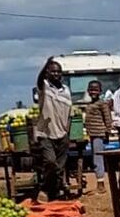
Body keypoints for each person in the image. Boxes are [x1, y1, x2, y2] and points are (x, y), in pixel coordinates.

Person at [33, 58, 72, 201]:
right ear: (48, 73)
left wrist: (67, 131)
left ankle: (55, 192)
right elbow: (39, 79)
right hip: (46, 133)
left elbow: (70, 113)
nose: (56, 74)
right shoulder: (44, 87)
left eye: (58, 72)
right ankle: (44, 188)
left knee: (60, 167)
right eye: (53, 71)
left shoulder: (66, 90)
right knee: (50, 162)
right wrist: (45, 64)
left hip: (62, 134)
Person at [81, 80, 112, 194]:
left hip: (99, 133)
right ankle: (99, 182)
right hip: (92, 134)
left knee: (97, 158)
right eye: (91, 89)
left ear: (100, 91)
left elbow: (107, 118)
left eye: (96, 90)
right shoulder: (89, 104)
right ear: (88, 91)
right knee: (95, 158)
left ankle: (101, 184)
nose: (93, 92)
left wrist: (107, 131)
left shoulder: (102, 104)